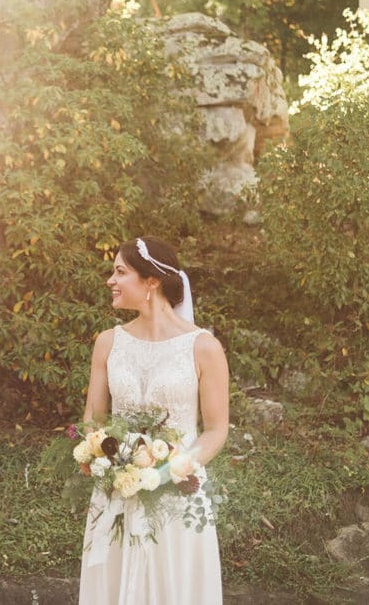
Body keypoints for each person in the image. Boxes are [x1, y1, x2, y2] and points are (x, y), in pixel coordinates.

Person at [78, 236, 230, 604]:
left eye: (120, 272)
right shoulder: (108, 342)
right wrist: (100, 460)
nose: (110, 281)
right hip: (116, 495)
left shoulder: (203, 347)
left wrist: (167, 472)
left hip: (178, 495)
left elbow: (215, 431)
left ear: (151, 281)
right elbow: (92, 421)